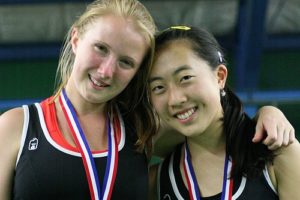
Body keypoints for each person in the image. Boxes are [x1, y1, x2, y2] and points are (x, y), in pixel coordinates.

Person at [0, 0, 294, 199]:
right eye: (100, 48)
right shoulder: (16, 127)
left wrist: (267, 114)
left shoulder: (142, 130)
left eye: (126, 62)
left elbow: (211, 125)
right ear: (76, 40)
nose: (106, 70)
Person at [149, 26, 300, 200]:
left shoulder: (278, 156)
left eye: (185, 78)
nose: (174, 99)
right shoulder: (156, 181)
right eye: (158, 87)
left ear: (220, 76)